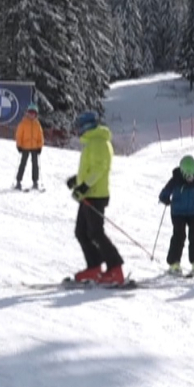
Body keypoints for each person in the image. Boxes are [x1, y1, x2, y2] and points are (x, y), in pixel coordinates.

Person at [67, 111, 124, 285]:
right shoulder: (93, 142)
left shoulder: (98, 142)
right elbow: (90, 169)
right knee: (82, 232)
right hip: (90, 193)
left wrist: (83, 187)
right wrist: (77, 181)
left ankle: (115, 269)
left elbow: (100, 168)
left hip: (95, 195)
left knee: (95, 233)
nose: (78, 130)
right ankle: (94, 267)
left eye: (79, 126)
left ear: (86, 126)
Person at [159, 155, 194, 277]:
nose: (191, 178)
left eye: (193, 175)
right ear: (183, 173)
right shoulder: (175, 180)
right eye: (188, 176)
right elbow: (165, 191)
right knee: (179, 236)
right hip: (178, 213)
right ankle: (174, 263)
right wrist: (164, 199)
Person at [14, 103, 43, 190]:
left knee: (35, 165)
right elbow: (19, 135)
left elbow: (40, 136)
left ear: (36, 114)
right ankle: (18, 181)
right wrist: (19, 145)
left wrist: (39, 146)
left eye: (33, 113)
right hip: (25, 147)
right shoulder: (23, 123)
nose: (31, 115)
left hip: (34, 147)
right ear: (27, 113)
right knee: (23, 164)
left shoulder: (37, 124)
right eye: (30, 113)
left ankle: (35, 182)